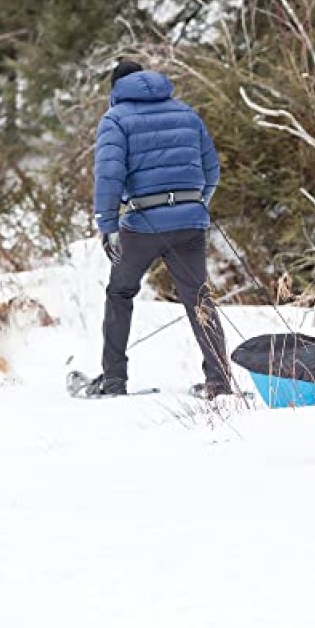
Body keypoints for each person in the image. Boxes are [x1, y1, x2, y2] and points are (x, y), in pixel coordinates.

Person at [89, 60, 233, 399]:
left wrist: (108, 225)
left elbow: (109, 176)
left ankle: (113, 381)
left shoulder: (115, 119)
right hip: (189, 220)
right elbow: (211, 170)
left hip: (142, 223)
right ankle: (220, 381)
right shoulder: (186, 113)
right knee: (198, 298)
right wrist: (194, 205)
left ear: (116, 89)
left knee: (120, 293)